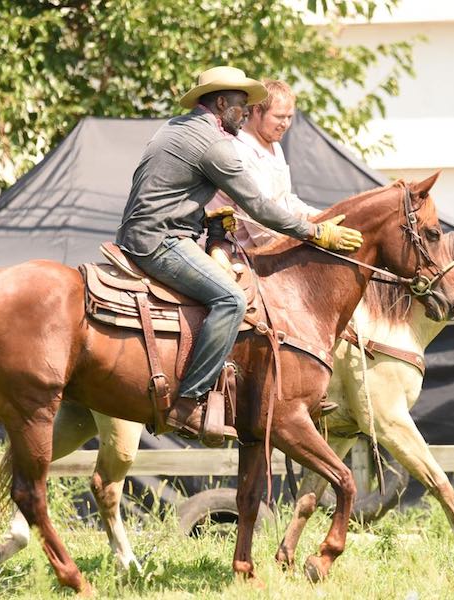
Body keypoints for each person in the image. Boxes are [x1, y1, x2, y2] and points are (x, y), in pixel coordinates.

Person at [116, 66, 363, 442]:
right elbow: (261, 209)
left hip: (150, 232)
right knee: (231, 299)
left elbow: (170, 192)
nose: (247, 113)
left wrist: (210, 220)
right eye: (240, 106)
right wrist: (317, 233)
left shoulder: (177, 127)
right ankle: (189, 404)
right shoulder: (216, 145)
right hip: (159, 240)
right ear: (219, 103)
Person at [206, 79, 322, 248]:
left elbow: (285, 200)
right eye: (279, 117)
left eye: (289, 117)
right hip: (234, 252)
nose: (285, 124)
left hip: (273, 240)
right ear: (257, 111)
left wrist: (323, 219)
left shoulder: (274, 145)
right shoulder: (239, 152)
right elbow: (260, 230)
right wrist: (311, 237)